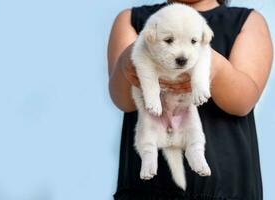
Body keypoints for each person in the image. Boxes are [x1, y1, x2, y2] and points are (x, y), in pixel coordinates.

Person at [107, 0, 273, 199]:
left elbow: (243, 101)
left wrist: (214, 67)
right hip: (146, 188)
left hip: (225, 187)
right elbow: (122, 100)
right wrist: (129, 62)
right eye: (169, 40)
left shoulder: (247, 21)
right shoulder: (132, 21)